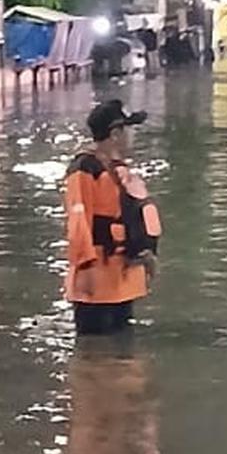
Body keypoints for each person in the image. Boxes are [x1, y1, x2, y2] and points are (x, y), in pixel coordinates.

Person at [64, 100, 162, 335]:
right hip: (97, 282)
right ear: (115, 134)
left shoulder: (120, 170)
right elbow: (79, 221)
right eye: (129, 129)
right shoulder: (85, 168)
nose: (134, 135)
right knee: (94, 354)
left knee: (122, 356)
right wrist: (85, 269)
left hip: (122, 280)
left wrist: (147, 256)